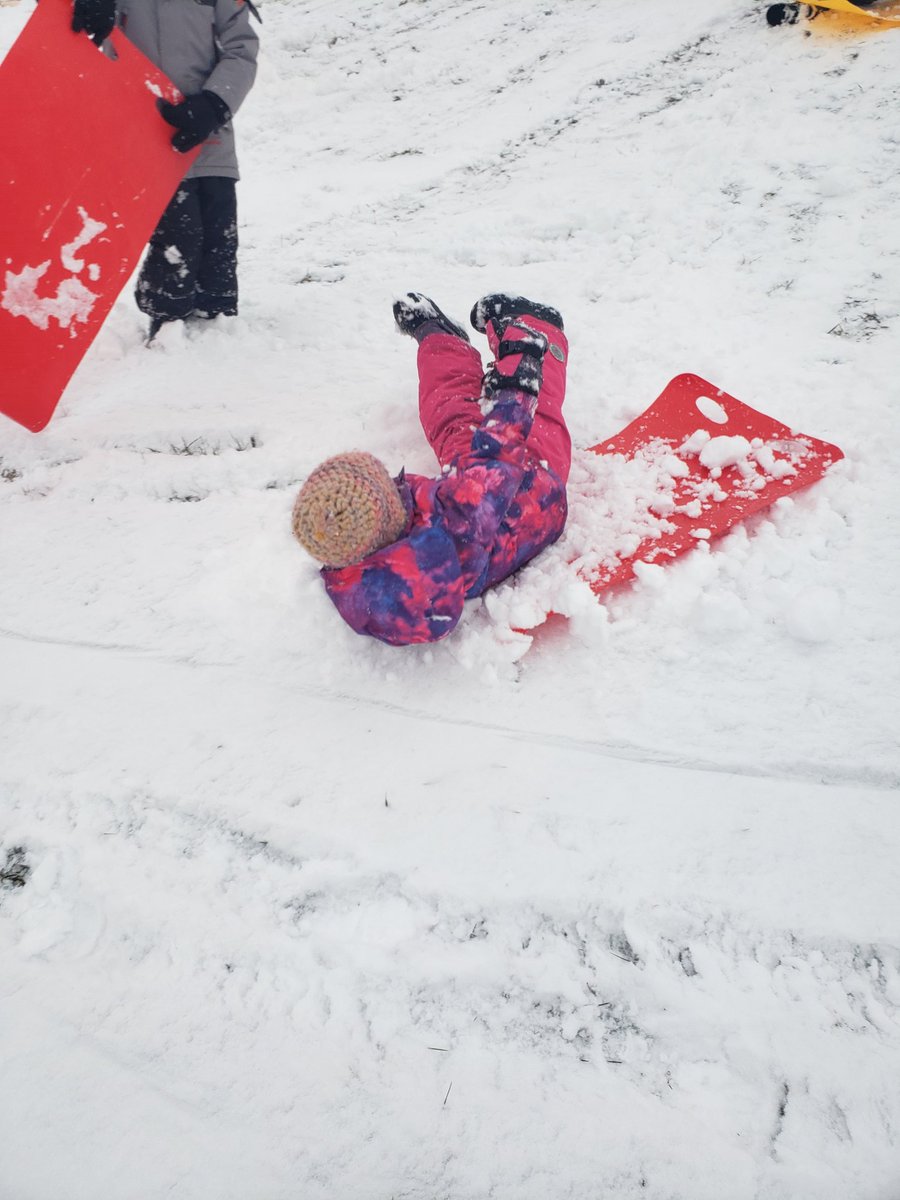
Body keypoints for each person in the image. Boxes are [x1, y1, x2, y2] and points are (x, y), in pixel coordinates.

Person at [291, 292, 571, 646]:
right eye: (389, 485)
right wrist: (517, 388)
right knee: (536, 417)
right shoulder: (457, 518)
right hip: (535, 492)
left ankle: (442, 341)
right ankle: (535, 330)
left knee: (452, 418)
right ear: (390, 511)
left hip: (474, 492)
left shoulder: (358, 575)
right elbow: (498, 457)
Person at [70, 0, 260, 342]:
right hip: (148, 134)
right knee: (177, 232)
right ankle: (167, 319)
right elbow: (64, 20)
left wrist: (216, 102)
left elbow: (241, 48)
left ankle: (219, 322)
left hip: (210, 128)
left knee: (219, 233)